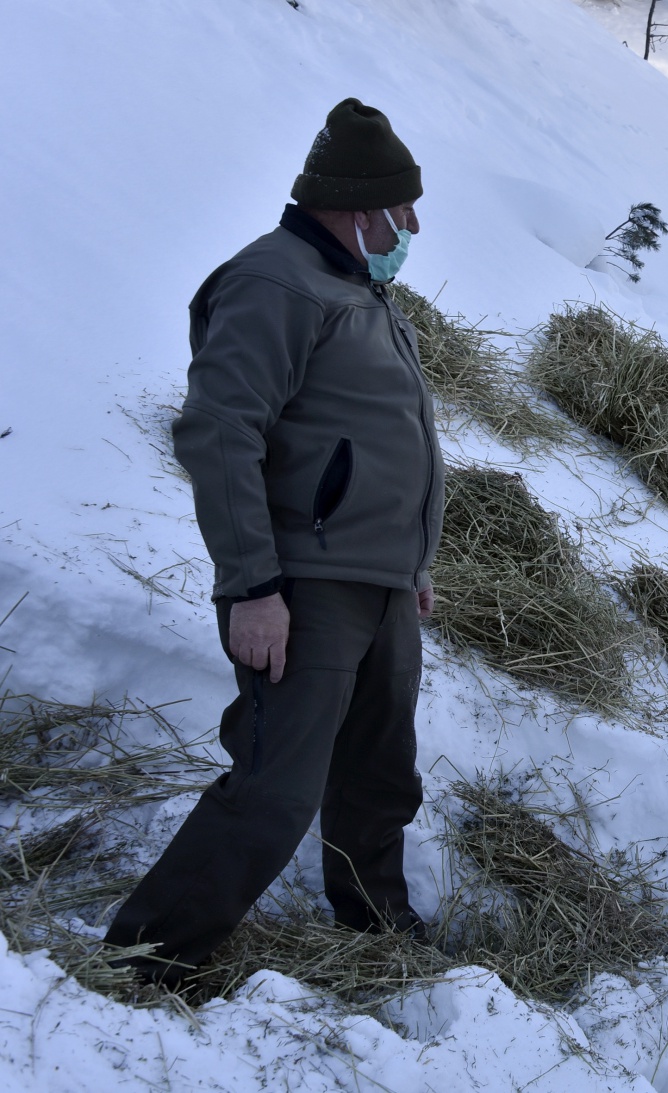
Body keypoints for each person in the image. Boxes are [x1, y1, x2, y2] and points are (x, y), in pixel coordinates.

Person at [104, 98, 446, 984]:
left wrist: (409, 565)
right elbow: (221, 429)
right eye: (400, 210)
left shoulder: (358, 291)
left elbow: (372, 435)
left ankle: (376, 927)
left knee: (378, 776)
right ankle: (150, 953)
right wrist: (253, 585)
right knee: (276, 786)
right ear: (357, 205)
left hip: (377, 584)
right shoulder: (275, 281)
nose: (411, 226)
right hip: (303, 585)